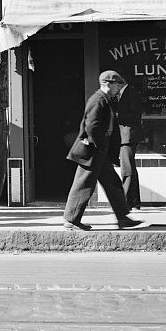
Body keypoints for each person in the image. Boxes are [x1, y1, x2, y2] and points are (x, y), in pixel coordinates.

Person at [62, 70, 146, 231]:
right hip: (92, 151)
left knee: (113, 184)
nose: (118, 88)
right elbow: (92, 126)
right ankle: (71, 219)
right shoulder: (98, 100)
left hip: (100, 152)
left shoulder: (105, 100)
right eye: (117, 84)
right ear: (108, 84)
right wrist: (100, 145)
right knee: (83, 184)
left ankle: (123, 218)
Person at [113, 80, 143, 211]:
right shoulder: (123, 94)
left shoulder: (131, 93)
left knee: (127, 169)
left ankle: (126, 202)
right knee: (130, 168)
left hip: (128, 134)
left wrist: (118, 116)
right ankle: (134, 201)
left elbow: (135, 115)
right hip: (125, 135)